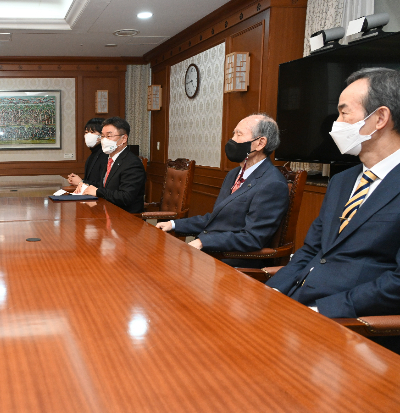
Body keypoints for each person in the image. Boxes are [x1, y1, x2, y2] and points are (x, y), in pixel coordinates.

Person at [267, 68, 400, 319]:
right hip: (297, 304)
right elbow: (311, 249)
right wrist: (272, 290)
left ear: (380, 118)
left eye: (343, 112)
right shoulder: (342, 181)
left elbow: (396, 283)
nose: (335, 122)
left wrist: (321, 312)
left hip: (349, 323)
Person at [156, 114, 288, 267]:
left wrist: (203, 242)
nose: (232, 140)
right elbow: (216, 219)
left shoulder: (272, 183)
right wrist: (173, 224)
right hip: (212, 252)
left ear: (260, 143)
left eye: (239, 134)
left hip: (233, 260)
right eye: (233, 133)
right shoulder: (233, 174)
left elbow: (252, 238)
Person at [75, 117, 146, 213]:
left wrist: (97, 191)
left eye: (109, 136)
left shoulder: (132, 163)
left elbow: (126, 197)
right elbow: (104, 185)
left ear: (123, 138)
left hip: (125, 218)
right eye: (103, 136)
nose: (104, 140)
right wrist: (86, 185)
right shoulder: (109, 159)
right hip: (107, 212)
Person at [68, 117, 106, 187]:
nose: (88, 135)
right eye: (86, 132)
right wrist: (76, 180)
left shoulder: (106, 155)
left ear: (102, 135)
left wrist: (81, 182)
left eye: (92, 132)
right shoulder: (92, 155)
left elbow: (103, 184)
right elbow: (90, 180)